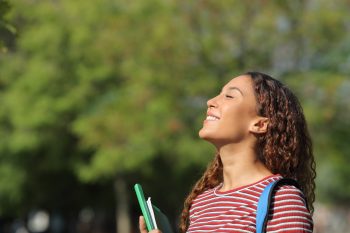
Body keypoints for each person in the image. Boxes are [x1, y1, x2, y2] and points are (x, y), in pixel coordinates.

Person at [139, 71, 316, 233]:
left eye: (229, 96)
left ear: (260, 124)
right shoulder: (201, 203)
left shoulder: (282, 199)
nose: (210, 102)